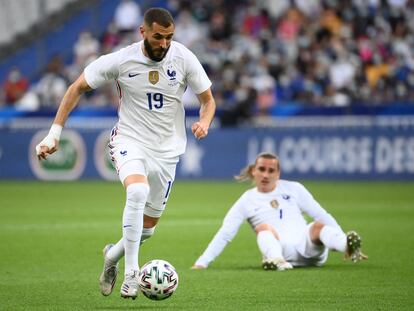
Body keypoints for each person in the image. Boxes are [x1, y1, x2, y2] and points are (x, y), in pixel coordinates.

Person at [35, 7, 216, 299]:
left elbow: (208, 100)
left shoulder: (183, 57)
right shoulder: (121, 60)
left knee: (147, 230)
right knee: (137, 192)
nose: (164, 44)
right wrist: (54, 134)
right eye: (158, 37)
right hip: (129, 140)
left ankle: (112, 257)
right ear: (143, 32)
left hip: (167, 151)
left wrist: (204, 122)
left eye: (169, 37)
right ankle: (132, 272)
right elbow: (76, 87)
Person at [192, 153, 367, 271]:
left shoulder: (294, 188)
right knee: (264, 228)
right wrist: (202, 262)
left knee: (318, 225)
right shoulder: (246, 200)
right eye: (261, 169)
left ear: (278, 173)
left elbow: (321, 214)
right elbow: (225, 233)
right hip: (279, 249)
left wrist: (340, 234)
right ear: (254, 171)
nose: (266, 175)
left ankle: (346, 245)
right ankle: (278, 261)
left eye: (271, 170)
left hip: (308, 247)